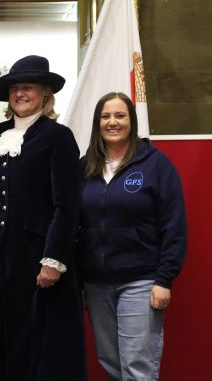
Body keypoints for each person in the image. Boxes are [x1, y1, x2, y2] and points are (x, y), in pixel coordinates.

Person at [0, 55, 87, 380]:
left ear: (45, 95)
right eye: (15, 89)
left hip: (38, 258)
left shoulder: (57, 136)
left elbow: (68, 205)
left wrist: (53, 259)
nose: (20, 94)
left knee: (39, 341)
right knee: (0, 335)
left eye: (28, 88)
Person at [77, 92, 187, 380]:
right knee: (111, 363)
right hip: (96, 285)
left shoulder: (156, 165)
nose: (112, 122)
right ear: (97, 122)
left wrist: (164, 279)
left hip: (141, 282)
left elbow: (174, 225)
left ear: (132, 121)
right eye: (105, 116)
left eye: (120, 116)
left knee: (138, 368)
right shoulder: (85, 167)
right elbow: (72, 224)